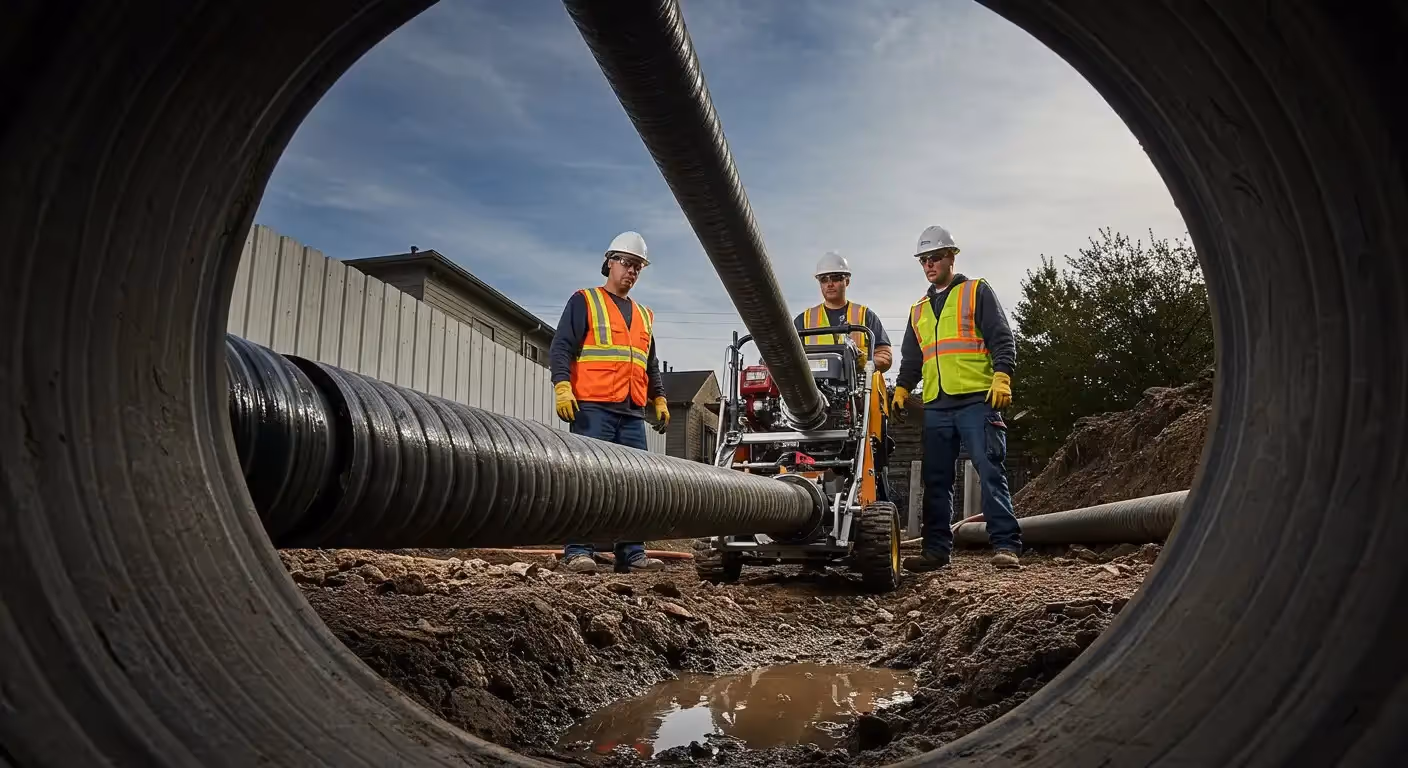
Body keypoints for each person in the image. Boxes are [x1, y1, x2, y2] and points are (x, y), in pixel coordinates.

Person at [891, 225, 1022, 570]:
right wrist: (903, 387)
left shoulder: (976, 291)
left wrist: (1003, 375)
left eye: (935, 258)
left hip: (977, 399)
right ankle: (936, 551)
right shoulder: (918, 309)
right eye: (923, 260)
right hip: (936, 405)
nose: (929, 265)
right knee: (936, 480)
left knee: (989, 470)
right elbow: (912, 358)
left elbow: (1001, 338)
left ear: (952, 257)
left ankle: (1006, 545)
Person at [550, 231, 671, 574]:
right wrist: (562, 386)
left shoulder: (645, 315)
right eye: (627, 263)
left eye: (638, 267)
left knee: (635, 485)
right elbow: (561, 347)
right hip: (592, 407)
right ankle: (578, 549)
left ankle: (631, 553)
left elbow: (650, 362)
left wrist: (659, 398)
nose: (632, 271)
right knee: (588, 479)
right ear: (610, 263)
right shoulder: (584, 300)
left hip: (631, 411)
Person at [793, 251, 893, 372]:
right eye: (824, 279)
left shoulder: (865, 315)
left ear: (847, 281)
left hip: (860, 388)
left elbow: (885, 356)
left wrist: (866, 361)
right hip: (816, 389)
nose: (829, 284)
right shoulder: (804, 320)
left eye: (835, 278)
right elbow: (787, 355)